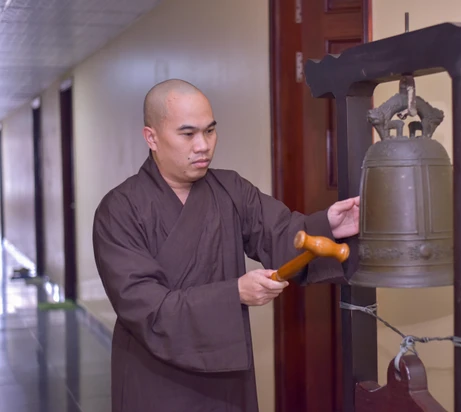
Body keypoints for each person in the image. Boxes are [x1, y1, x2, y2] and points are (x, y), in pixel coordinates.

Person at [92, 79, 359, 412]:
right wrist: (234, 294)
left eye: (210, 131)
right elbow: (147, 308)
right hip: (154, 377)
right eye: (188, 134)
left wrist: (328, 225)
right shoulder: (119, 210)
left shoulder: (231, 190)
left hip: (226, 376)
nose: (203, 145)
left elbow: (281, 233)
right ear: (152, 137)